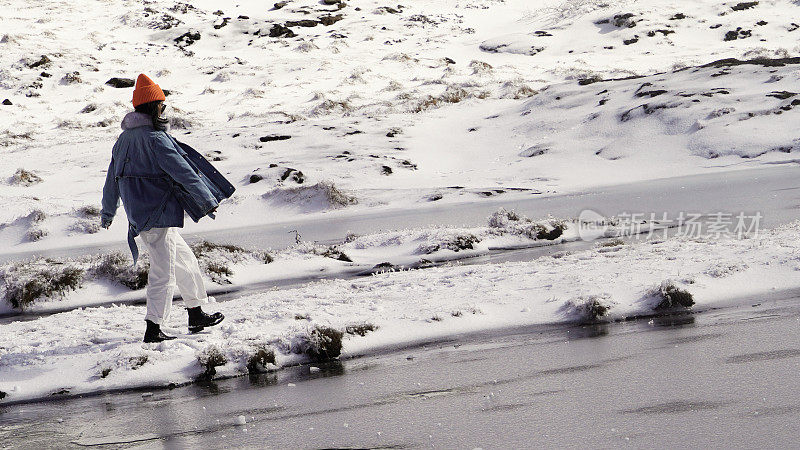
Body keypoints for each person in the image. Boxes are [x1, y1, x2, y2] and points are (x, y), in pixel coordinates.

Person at [100, 74, 228, 343]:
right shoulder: (156, 139)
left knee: (185, 261)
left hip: (142, 215)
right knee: (164, 272)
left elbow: (111, 179)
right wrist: (207, 201)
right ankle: (153, 328)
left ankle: (195, 313)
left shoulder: (123, 141)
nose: (164, 110)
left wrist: (108, 211)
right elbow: (184, 173)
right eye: (162, 105)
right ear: (154, 107)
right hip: (155, 214)